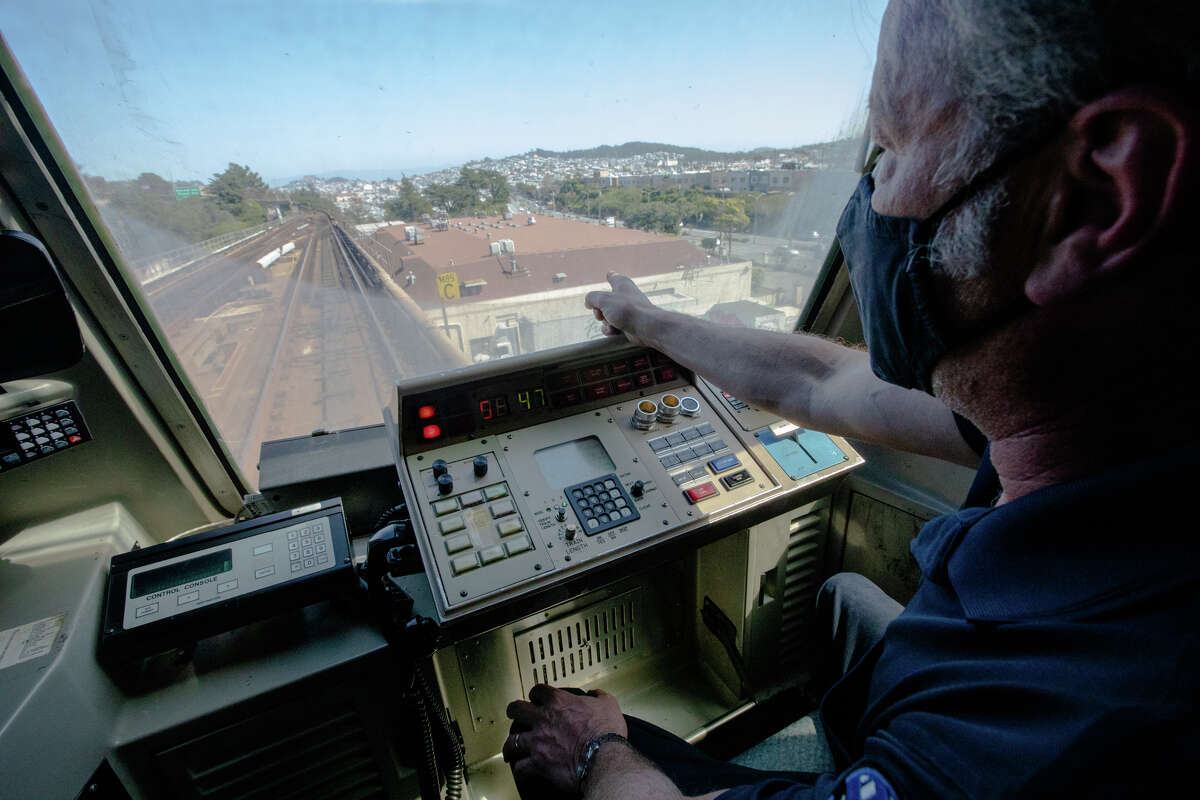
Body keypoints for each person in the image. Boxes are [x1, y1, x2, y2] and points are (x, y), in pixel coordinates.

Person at [501, 0, 1200, 797]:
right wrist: (650, 321)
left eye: (892, 147)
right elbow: (820, 380)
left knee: (553, 741)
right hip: (926, 673)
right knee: (840, 597)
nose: (862, 209)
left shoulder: (1052, 733)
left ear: (1092, 203)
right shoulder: (1099, 404)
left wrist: (596, 755)